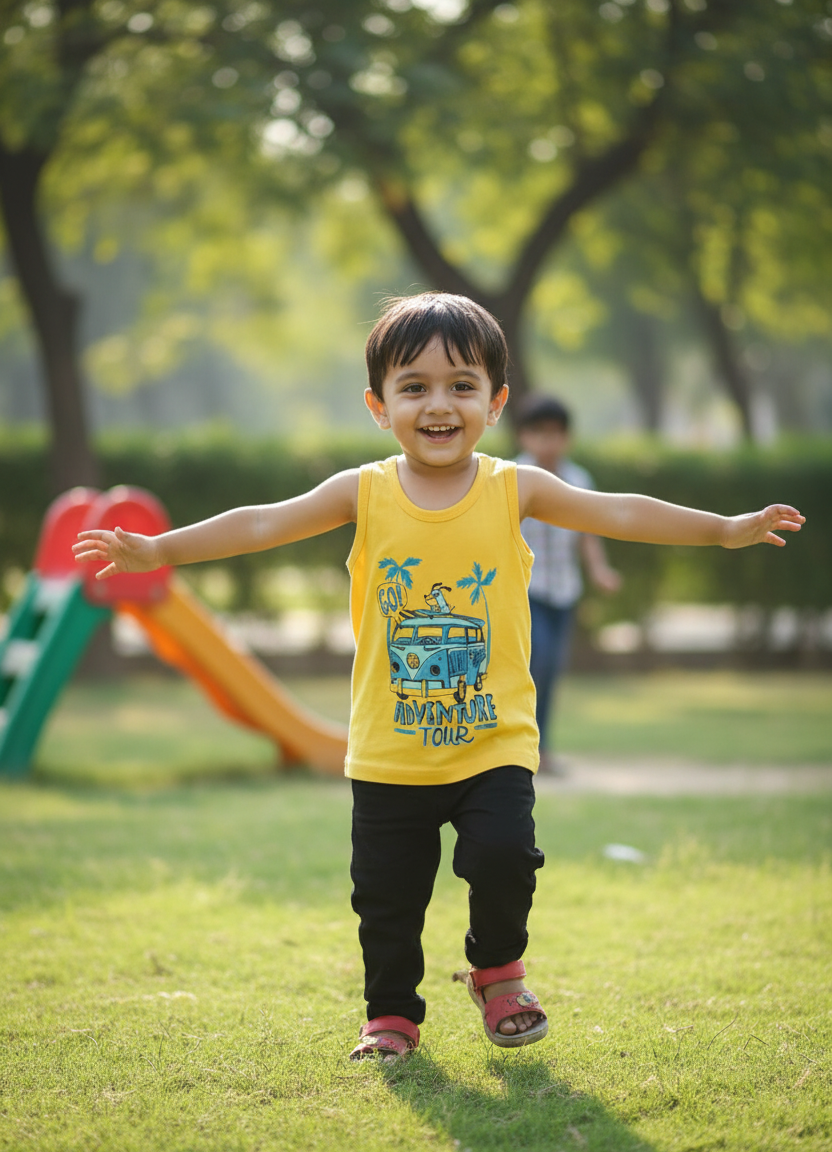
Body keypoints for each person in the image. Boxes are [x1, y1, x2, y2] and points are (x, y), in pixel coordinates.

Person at [72, 292, 804, 1063]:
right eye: (412, 386)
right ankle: (391, 1016)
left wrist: (724, 529)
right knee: (386, 899)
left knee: (504, 858)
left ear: (496, 403)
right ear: (377, 405)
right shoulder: (363, 490)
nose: (438, 404)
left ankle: (498, 972)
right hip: (390, 752)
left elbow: (615, 511)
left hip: (493, 740)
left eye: (461, 384)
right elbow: (261, 521)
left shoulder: (515, 486)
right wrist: (161, 550)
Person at [517, 395, 621, 775]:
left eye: (556, 434)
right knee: (535, 665)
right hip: (527, 591)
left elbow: (587, 533)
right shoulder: (510, 477)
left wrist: (599, 571)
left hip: (565, 591)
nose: (548, 442)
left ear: (567, 438)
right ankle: (519, 751)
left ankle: (541, 751)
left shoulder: (578, 480)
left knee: (550, 671)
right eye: (539, 433)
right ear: (524, 436)